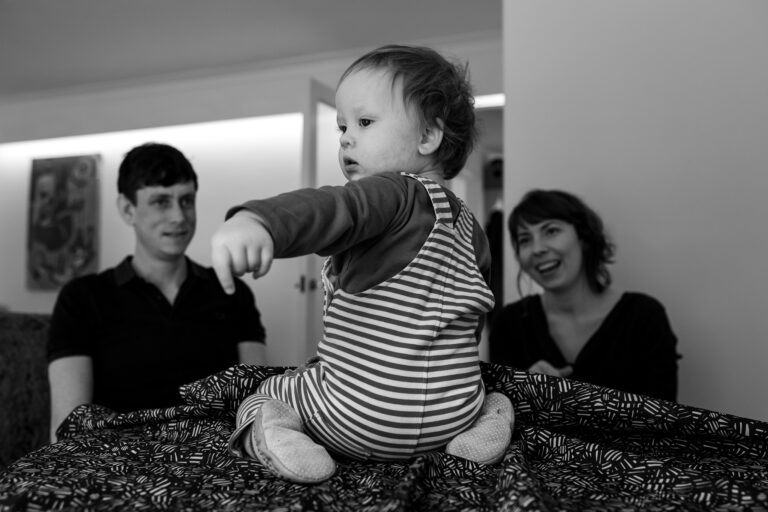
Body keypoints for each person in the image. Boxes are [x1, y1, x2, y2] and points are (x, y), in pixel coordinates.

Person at [211, 44, 514, 484]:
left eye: (365, 122)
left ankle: (272, 430)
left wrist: (259, 220)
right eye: (342, 127)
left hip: (359, 416)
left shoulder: (390, 193)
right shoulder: (471, 228)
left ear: (428, 136)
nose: (347, 138)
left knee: (274, 388)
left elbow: (332, 208)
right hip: (451, 413)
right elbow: (471, 324)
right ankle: (488, 417)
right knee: (488, 392)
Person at [47, 142, 267, 443]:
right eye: (161, 202)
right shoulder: (82, 299)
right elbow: (67, 425)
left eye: (186, 200)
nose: (179, 216)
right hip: (116, 467)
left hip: (214, 462)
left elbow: (258, 407)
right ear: (127, 209)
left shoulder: (232, 292)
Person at [489, 189, 680, 401]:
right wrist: (523, 392)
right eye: (525, 239)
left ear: (584, 237)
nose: (537, 249)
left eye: (551, 231)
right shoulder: (509, 325)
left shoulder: (644, 318)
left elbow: (663, 422)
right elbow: (498, 420)